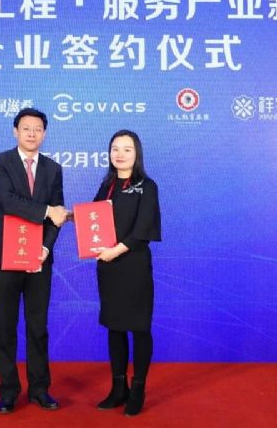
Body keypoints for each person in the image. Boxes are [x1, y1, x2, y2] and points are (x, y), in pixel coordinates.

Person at [0, 108, 69, 414]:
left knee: (38, 325)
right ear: (15, 131)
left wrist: (45, 248)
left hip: (39, 256)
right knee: (6, 325)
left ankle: (40, 389)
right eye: (26, 128)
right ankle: (8, 391)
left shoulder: (53, 168)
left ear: (45, 133)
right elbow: (8, 201)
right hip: (4, 251)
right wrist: (47, 211)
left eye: (38, 129)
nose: (32, 133)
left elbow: (58, 214)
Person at [91, 129, 161, 416]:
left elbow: (143, 230)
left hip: (134, 266)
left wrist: (115, 251)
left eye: (127, 149)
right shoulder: (107, 185)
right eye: (115, 149)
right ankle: (118, 388)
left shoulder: (147, 186)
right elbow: (93, 219)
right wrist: (70, 217)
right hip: (109, 269)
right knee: (115, 326)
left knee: (139, 328)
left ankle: (138, 388)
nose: (120, 154)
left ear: (137, 153)